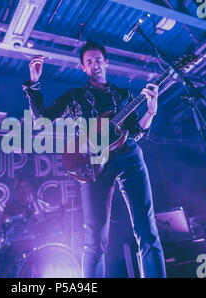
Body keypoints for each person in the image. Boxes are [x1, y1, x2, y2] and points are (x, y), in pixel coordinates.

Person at [22, 41, 166, 278]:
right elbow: (42, 121)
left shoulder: (124, 96)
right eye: (89, 62)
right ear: (83, 68)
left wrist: (150, 112)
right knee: (95, 239)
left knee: (147, 229)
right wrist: (35, 83)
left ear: (106, 62)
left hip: (128, 155)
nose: (95, 65)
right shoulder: (75, 97)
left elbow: (137, 133)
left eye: (98, 60)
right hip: (92, 163)